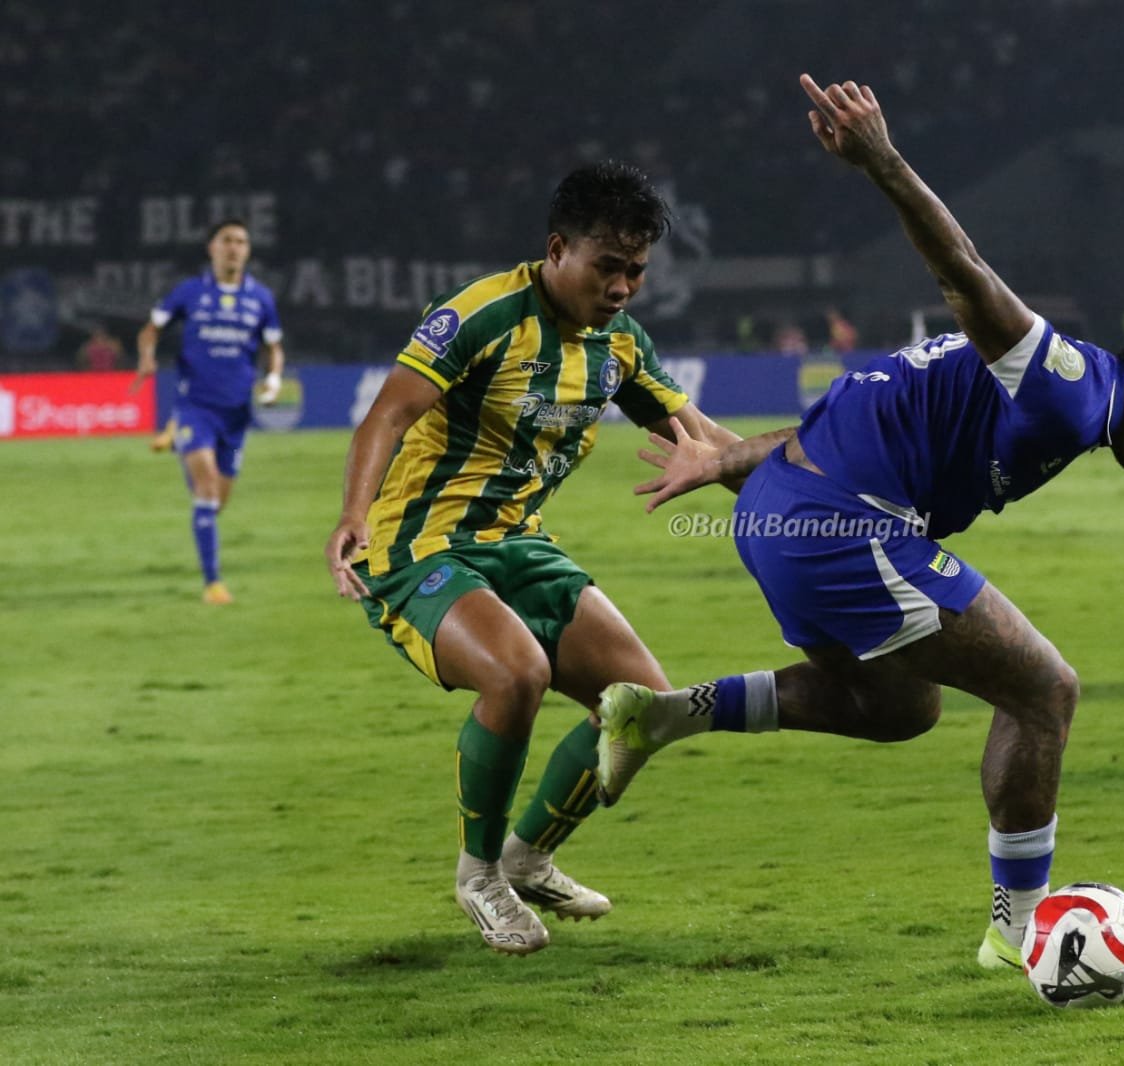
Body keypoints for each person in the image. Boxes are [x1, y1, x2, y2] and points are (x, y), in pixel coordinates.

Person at [592, 75, 1124, 976]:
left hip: (785, 511)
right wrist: (881, 160)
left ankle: (659, 718)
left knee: (899, 708)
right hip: (845, 530)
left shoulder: (1072, 396)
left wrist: (725, 458)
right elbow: (964, 275)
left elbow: (839, 430)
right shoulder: (1067, 388)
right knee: (1045, 693)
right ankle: (1018, 932)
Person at [322, 161, 788, 956]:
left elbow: (710, 444)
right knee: (516, 674)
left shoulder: (620, 345)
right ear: (557, 249)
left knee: (638, 702)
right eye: (607, 266)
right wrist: (352, 515)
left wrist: (813, 509)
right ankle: (479, 877)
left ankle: (527, 856)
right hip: (418, 543)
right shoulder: (482, 312)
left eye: (636, 271)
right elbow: (388, 414)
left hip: (520, 543)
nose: (622, 287)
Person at [132, 219, 286, 604]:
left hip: (235, 414)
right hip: (195, 406)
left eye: (241, 241)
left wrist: (275, 378)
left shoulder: (261, 299)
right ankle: (213, 583)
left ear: (247, 250)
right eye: (227, 241)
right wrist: (148, 358)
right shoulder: (190, 292)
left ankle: (179, 443)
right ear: (211, 248)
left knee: (217, 501)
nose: (234, 247)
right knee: (206, 488)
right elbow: (150, 330)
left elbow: (274, 348)